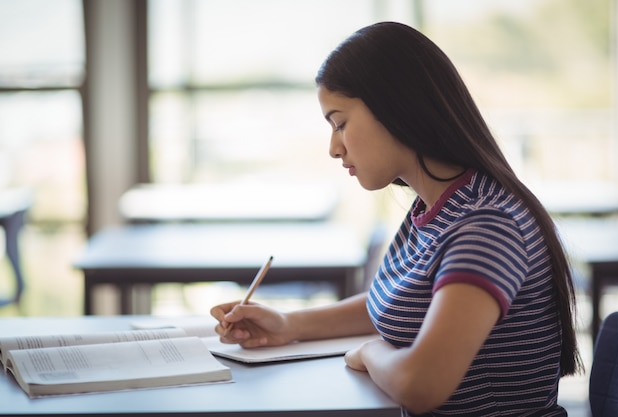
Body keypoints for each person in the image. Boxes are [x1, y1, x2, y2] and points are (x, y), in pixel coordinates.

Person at [211, 21, 582, 416]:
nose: (334, 148)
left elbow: (421, 384)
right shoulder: (435, 206)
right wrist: (289, 324)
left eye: (340, 123)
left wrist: (372, 352)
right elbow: (402, 303)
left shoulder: (486, 225)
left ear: (395, 107)